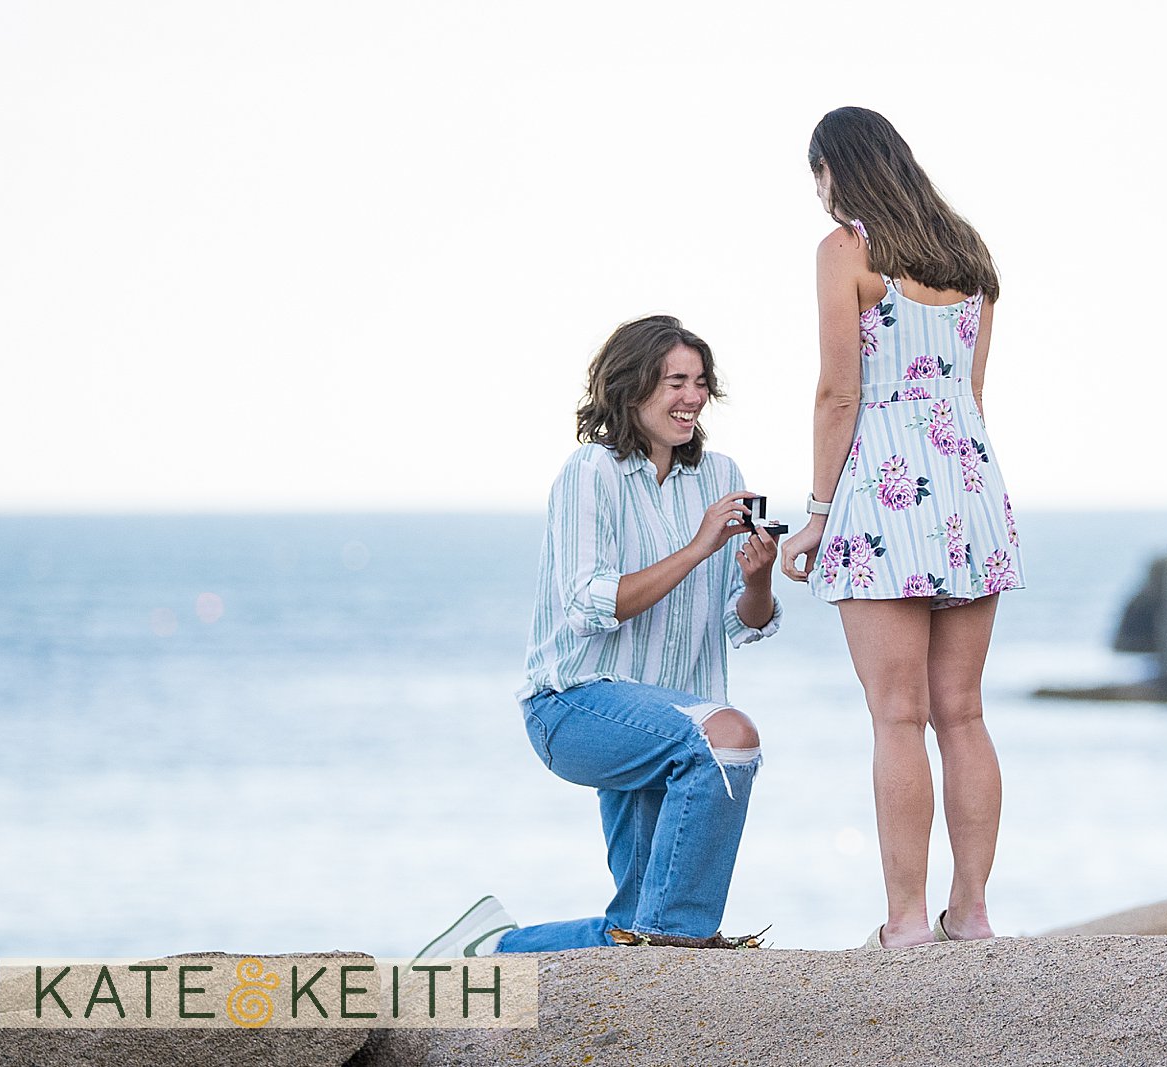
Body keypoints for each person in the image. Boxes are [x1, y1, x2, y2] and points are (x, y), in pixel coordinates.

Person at [415, 314, 782, 958]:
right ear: (632, 387)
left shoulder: (721, 475)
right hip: (575, 705)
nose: (691, 397)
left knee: (636, 924)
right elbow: (593, 604)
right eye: (674, 381)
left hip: (670, 724)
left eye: (700, 382)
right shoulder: (591, 472)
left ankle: (494, 949)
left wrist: (756, 580)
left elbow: (741, 620)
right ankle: (682, 949)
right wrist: (699, 546)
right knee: (730, 737)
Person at [780, 107, 1026, 949]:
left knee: (897, 715)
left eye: (816, 174)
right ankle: (976, 912)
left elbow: (838, 394)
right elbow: (972, 395)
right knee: (963, 713)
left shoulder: (846, 251)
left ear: (834, 170)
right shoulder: (971, 256)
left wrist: (815, 516)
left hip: (887, 493)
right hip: (969, 487)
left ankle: (909, 921)